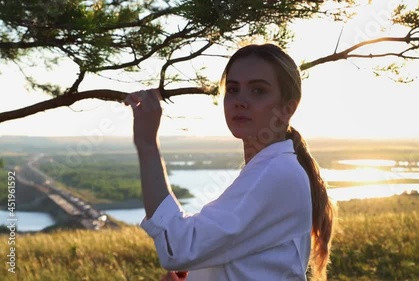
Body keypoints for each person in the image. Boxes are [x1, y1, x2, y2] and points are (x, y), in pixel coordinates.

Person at [124, 43, 335, 281]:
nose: (240, 100)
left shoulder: (278, 173)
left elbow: (178, 248)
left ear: (288, 108)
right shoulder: (268, 170)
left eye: (258, 90)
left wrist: (147, 145)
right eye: (233, 89)